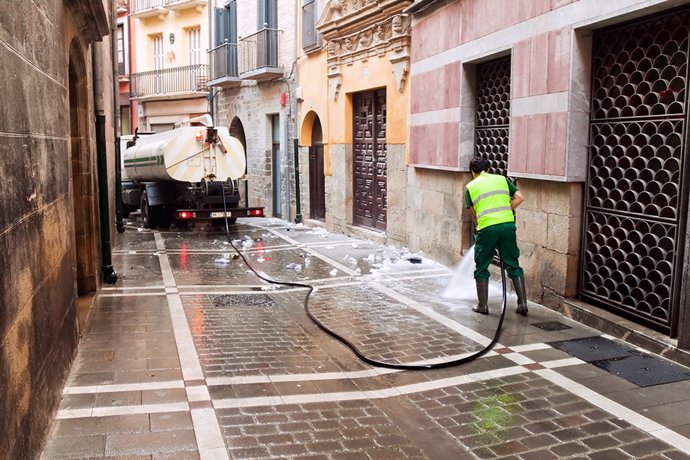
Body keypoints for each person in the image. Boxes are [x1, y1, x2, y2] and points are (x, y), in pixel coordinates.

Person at [465, 158, 527, 315]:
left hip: (487, 227)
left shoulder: (471, 187)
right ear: (488, 168)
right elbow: (520, 197)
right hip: (507, 224)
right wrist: (505, 209)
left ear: (472, 171)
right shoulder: (502, 179)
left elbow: (474, 214)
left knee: (482, 265)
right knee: (513, 263)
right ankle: (522, 304)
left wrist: (480, 228)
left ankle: (482, 306)